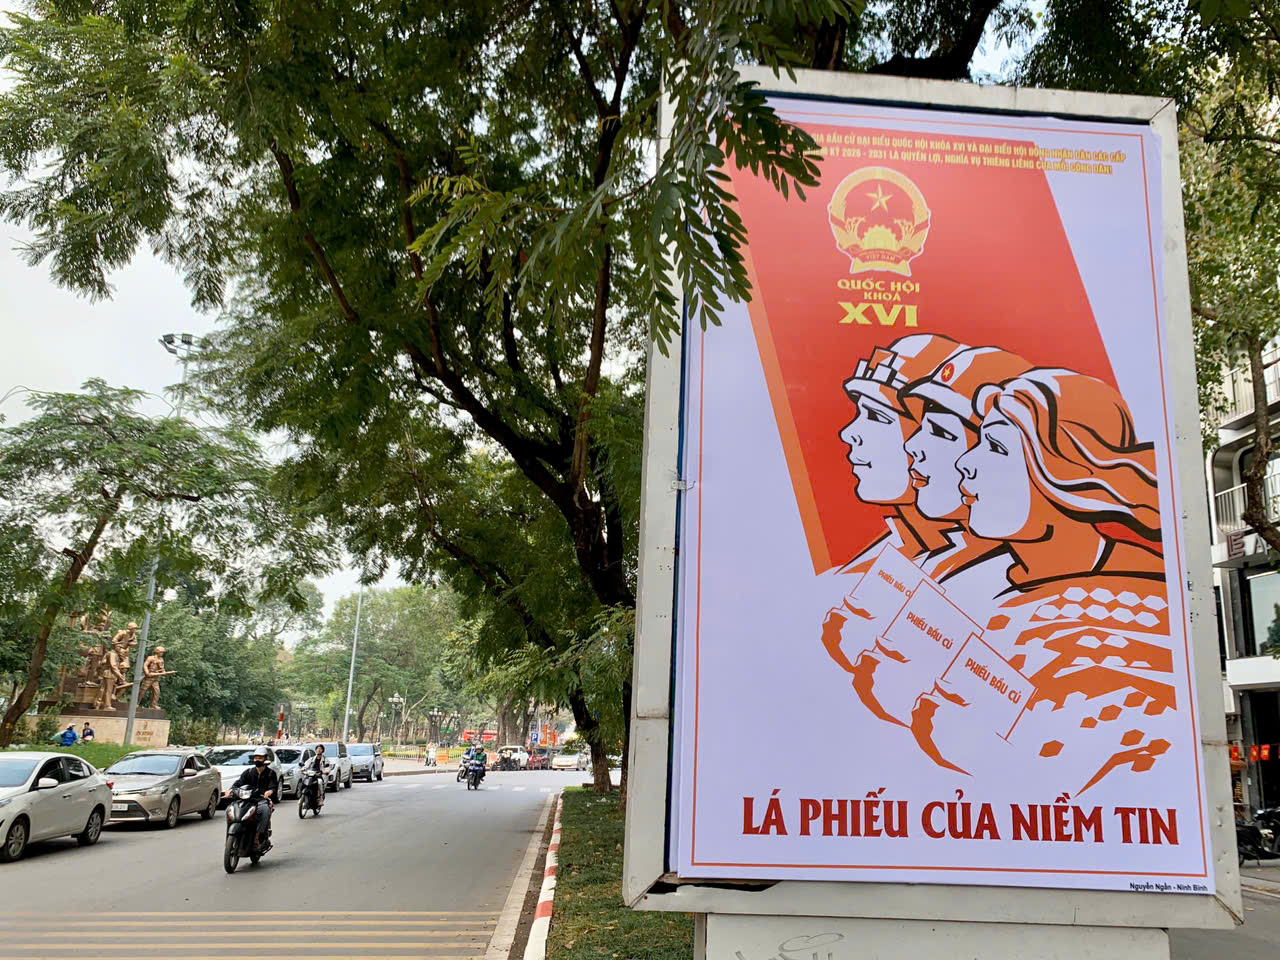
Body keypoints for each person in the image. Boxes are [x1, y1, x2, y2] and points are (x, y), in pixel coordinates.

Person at [909, 368, 1174, 794]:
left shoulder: (1139, 602)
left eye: (996, 447)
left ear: (1064, 473)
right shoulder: (987, 583)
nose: (965, 463)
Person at [224, 746, 277, 849]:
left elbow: (273, 787)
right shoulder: (248, 772)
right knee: (230, 810)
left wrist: (270, 791)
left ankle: (259, 837)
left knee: (265, 810)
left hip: (261, 800)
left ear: (265, 759)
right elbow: (239, 783)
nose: (257, 760)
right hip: (246, 800)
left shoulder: (271, 773)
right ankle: (229, 838)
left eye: (260, 758)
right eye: (256, 758)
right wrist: (231, 789)